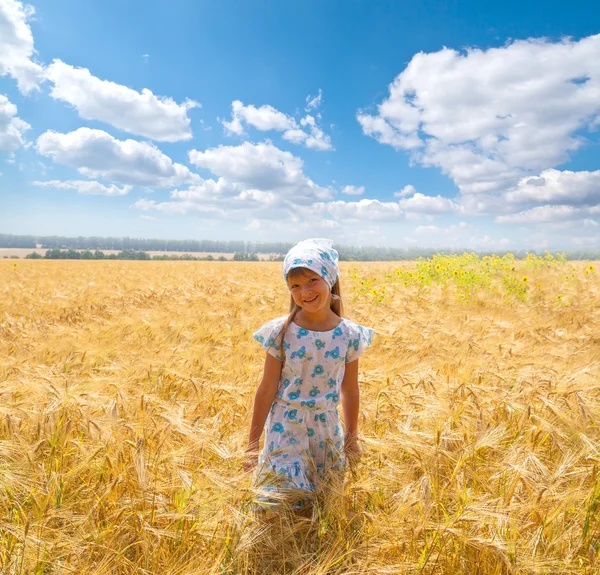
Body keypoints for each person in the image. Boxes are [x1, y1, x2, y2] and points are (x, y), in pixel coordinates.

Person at [244, 238, 374, 511]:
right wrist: (252, 446)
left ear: (329, 277)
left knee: (322, 504)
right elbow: (266, 388)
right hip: (285, 427)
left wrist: (352, 439)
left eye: (312, 280)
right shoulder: (280, 332)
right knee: (278, 504)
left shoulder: (349, 335)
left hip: (326, 430)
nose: (305, 291)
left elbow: (350, 389)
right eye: (295, 286)